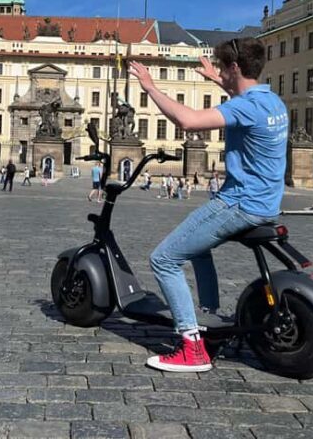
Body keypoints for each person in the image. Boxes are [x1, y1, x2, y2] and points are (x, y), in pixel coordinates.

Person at [130, 36, 288, 373]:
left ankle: (191, 346)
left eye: (223, 68)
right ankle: (209, 318)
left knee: (163, 259)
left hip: (240, 202)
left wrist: (150, 87)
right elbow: (242, 98)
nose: (221, 73)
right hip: (267, 203)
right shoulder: (272, 101)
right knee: (197, 248)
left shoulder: (244, 107)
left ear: (235, 67)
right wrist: (218, 80)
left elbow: (187, 121)